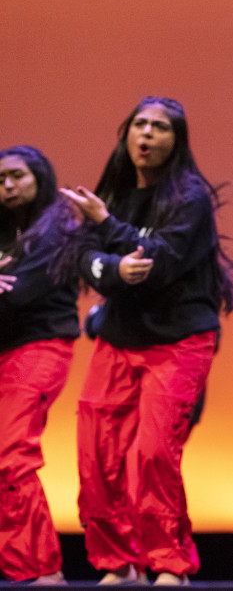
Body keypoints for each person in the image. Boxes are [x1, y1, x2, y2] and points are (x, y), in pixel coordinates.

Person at [62, 97, 233, 586]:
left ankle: (168, 564)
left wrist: (108, 230)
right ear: (127, 134)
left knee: (152, 455)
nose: (147, 133)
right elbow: (83, 253)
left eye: (159, 126)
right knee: (96, 454)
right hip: (120, 338)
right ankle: (117, 563)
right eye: (139, 124)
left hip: (179, 342)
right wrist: (112, 268)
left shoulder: (189, 198)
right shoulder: (117, 192)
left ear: (176, 140)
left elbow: (160, 261)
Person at [0, 146, 80, 585]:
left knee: (11, 455)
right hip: (5, 347)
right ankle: (23, 567)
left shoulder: (59, 231)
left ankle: (40, 570)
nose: (7, 186)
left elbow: (16, 294)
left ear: (40, 178)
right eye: (0, 180)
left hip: (39, 347)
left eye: (16, 176)